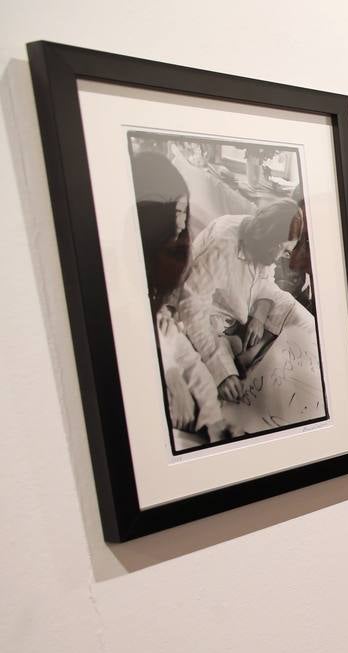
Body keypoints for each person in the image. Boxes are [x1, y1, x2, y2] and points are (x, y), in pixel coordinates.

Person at [175, 197, 323, 423]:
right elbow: (193, 308)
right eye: (283, 251)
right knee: (224, 392)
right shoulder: (223, 243)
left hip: (247, 305)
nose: (283, 257)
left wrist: (260, 313)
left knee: (306, 325)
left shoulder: (261, 236)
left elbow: (264, 280)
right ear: (270, 241)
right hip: (211, 318)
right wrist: (222, 372)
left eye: (287, 252)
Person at [131, 151, 236, 445]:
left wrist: (214, 420)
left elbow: (189, 359)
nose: (184, 238)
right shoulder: (128, 310)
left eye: (184, 225)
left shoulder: (161, 310)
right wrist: (172, 375)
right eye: (173, 230)